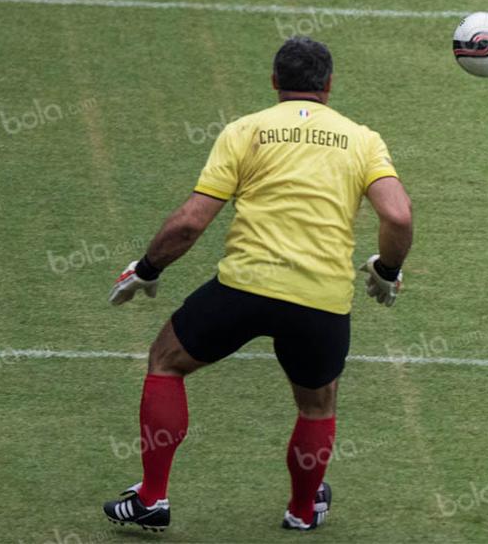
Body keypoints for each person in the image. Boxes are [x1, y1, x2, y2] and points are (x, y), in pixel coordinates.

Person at [101, 36, 413, 531]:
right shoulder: (361, 139)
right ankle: (303, 509)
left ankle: (152, 498)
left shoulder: (246, 130)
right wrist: (388, 271)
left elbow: (190, 222)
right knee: (317, 403)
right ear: (329, 85)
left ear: (274, 82)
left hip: (243, 288)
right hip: (320, 300)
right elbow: (397, 214)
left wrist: (147, 268)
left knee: (166, 361)